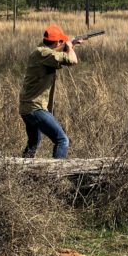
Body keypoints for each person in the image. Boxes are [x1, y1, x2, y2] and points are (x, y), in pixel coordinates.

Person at [18, 24, 84, 159]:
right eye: (61, 41)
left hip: (27, 108)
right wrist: (70, 47)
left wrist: (70, 45)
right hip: (36, 108)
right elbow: (72, 60)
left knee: (33, 143)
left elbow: (57, 55)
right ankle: (56, 176)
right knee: (62, 140)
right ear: (57, 42)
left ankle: (22, 173)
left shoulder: (40, 51)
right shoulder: (45, 53)